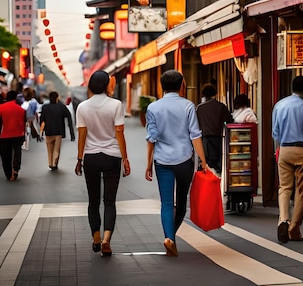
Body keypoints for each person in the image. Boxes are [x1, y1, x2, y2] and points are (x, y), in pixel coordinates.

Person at [144, 70, 208, 256]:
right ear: (182, 85)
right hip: (184, 160)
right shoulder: (188, 106)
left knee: (165, 203)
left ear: (161, 86)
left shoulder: (153, 108)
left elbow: (151, 138)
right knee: (181, 202)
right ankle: (171, 237)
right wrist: (203, 161)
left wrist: (148, 163)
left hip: (162, 161)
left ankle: (169, 237)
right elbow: (195, 135)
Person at [75, 71, 131, 257]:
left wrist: (79, 158)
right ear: (106, 84)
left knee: (93, 201)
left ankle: (96, 238)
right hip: (112, 156)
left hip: (90, 157)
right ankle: (107, 239)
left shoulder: (82, 107)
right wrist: (125, 158)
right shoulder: (116, 105)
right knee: (109, 201)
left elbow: (82, 135)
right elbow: (119, 132)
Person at [272, 75, 303, 243]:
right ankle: (294, 229)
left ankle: (283, 219)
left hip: (284, 148)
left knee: (284, 188)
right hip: (302, 149)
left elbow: (275, 132)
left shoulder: (279, 105)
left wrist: (279, 149)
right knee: (301, 191)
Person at [196, 83, 233, 174]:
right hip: (218, 138)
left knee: (207, 164)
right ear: (215, 94)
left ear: (203, 94)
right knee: (218, 164)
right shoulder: (221, 106)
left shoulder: (199, 108)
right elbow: (230, 120)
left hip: (204, 139)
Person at [39, 91, 75, 171]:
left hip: (48, 131)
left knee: (49, 149)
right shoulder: (61, 107)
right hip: (59, 131)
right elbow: (69, 118)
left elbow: (42, 120)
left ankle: (50, 163)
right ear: (57, 98)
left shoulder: (45, 107)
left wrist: (41, 131)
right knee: (56, 149)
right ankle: (55, 163)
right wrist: (72, 134)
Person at [0, 90, 27, 181]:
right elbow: (23, 124)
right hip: (18, 134)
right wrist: (23, 135)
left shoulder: (1, 107)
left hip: (5, 135)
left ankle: (8, 174)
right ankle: (16, 169)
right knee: (17, 153)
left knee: (6, 155)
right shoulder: (21, 109)